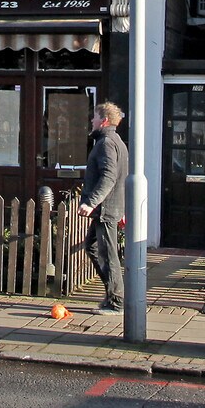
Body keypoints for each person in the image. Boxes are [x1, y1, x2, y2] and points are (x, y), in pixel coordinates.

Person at [76, 101, 129, 313]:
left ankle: (116, 302)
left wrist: (91, 202)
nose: (92, 120)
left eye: (95, 117)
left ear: (104, 120)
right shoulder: (115, 141)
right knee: (92, 246)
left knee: (108, 254)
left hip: (106, 209)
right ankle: (111, 294)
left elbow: (109, 176)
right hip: (109, 207)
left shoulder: (107, 143)